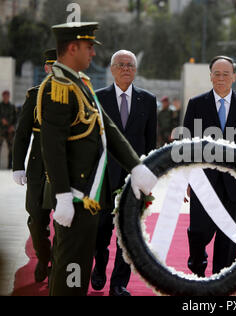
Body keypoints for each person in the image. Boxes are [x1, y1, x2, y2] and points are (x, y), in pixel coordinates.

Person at [38, 22, 157, 296]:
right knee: (70, 271)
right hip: (76, 195)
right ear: (72, 48)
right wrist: (62, 195)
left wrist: (137, 167)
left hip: (90, 196)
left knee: (78, 269)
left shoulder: (81, 85)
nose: (93, 53)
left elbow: (109, 131)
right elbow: (52, 148)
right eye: (89, 47)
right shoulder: (58, 88)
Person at [183, 55, 236, 276]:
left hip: (234, 184)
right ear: (210, 76)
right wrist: (187, 177)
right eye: (217, 73)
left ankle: (220, 280)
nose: (221, 78)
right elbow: (187, 144)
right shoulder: (196, 104)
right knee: (198, 232)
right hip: (203, 181)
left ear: (234, 77)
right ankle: (197, 266)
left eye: (226, 74)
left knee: (228, 237)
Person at [91, 49, 157, 296]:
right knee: (100, 230)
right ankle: (99, 266)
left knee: (128, 231)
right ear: (112, 69)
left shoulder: (148, 101)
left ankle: (119, 283)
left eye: (130, 65)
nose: (126, 68)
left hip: (134, 178)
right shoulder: (97, 99)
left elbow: (150, 141)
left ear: (136, 70)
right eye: (121, 64)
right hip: (104, 177)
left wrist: (150, 174)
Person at [11, 49, 56, 283]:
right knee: (37, 218)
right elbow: (22, 134)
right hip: (39, 169)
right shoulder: (35, 95)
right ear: (46, 68)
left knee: (67, 220)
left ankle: (58, 262)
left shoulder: (77, 94)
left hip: (66, 169)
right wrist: (17, 165)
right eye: (51, 66)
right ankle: (43, 256)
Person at [0, 90, 17, 169]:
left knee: (11, 149)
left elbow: (16, 118)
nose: (6, 97)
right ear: (3, 96)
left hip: (9, 131)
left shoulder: (12, 107)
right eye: (4, 96)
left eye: (7, 96)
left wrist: (13, 126)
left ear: (9, 97)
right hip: (1, 131)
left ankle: (10, 166)